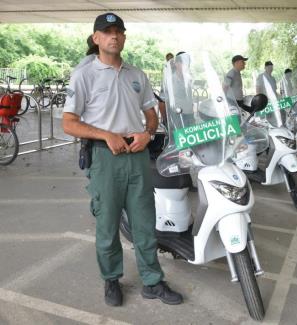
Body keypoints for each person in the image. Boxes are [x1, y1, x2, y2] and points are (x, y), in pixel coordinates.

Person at [62, 12, 183, 307]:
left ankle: (152, 281)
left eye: (118, 31)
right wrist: (105, 135)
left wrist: (148, 133)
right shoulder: (84, 74)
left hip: (138, 155)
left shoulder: (137, 75)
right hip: (105, 158)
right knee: (107, 224)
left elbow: (151, 114)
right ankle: (112, 279)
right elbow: (69, 122)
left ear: (125, 37)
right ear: (96, 39)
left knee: (144, 223)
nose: (113, 36)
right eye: (107, 31)